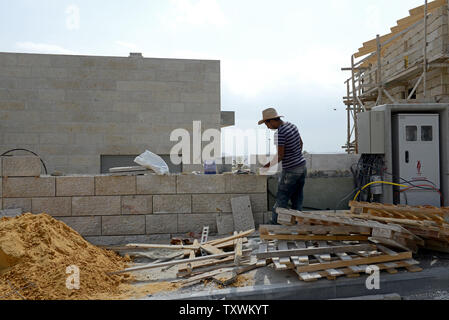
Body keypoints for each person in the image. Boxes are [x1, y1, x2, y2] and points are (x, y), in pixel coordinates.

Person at [258, 108, 307, 225]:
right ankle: (297, 224)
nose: (268, 127)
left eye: (267, 124)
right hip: (302, 167)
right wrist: (295, 156)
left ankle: (274, 224)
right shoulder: (292, 126)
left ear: (271, 121)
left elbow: (280, 155)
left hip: (291, 171)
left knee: (282, 199)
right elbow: (301, 143)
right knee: (297, 198)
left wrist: (266, 167)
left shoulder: (280, 133)